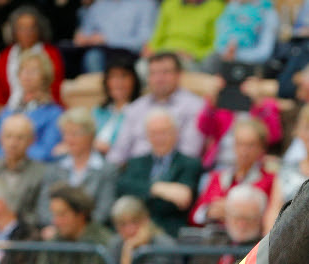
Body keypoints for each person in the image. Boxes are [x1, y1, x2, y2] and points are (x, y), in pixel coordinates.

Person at [115, 108, 202, 237]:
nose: (159, 138)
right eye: (154, 133)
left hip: (169, 233)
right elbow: (122, 187)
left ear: (175, 133)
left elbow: (182, 200)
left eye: (164, 132)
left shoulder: (189, 164)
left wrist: (143, 193)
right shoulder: (136, 162)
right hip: (135, 230)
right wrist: (156, 188)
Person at [107, 52, 205, 166]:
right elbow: (118, 153)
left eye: (165, 72)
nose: (159, 79)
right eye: (153, 73)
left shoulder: (195, 106)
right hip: (134, 171)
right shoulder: (135, 108)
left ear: (179, 75)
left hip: (173, 171)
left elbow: (190, 152)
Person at [36, 107, 117, 229]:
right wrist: (58, 226)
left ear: (90, 135)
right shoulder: (54, 168)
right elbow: (44, 207)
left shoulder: (107, 170)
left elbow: (104, 210)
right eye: (66, 134)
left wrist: (78, 228)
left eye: (75, 134)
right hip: (57, 230)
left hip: (91, 233)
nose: (70, 139)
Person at [0, 50, 64, 164]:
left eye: (33, 71)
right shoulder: (8, 111)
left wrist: (11, 155)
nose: (27, 74)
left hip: (32, 168)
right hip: (1, 166)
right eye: (24, 70)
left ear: (45, 77)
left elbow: (47, 152)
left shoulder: (54, 113)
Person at [190, 117, 274, 226]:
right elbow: (194, 217)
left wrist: (234, 210)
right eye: (240, 144)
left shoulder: (269, 180)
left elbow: (271, 218)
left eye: (251, 145)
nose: (244, 151)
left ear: (261, 148)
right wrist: (209, 211)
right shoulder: (218, 177)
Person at [264, 101, 309, 231]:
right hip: (287, 240)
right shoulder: (286, 169)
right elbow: (273, 210)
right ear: (298, 132)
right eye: (307, 128)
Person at [0, 6, 65, 111]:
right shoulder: (6, 55)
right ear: (14, 31)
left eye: (31, 28)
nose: (27, 33)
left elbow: (56, 88)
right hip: (9, 108)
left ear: (39, 30)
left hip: (42, 106)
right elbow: (0, 92)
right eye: (21, 28)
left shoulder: (50, 53)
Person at [34, 185, 114, 264]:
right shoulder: (54, 241)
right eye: (54, 215)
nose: (55, 221)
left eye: (62, 214)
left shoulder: (102, 241)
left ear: (81, 214)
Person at [109, 195, 179, 264]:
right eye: (123, 224)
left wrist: (128, 249)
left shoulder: (164, 245)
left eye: (135, 222)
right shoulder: (116, 243)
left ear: (146, 219)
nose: (130, 229)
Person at [143, 0, 225, 67]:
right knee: (142, 67)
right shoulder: (169, 4)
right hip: (165, 53)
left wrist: (195, 56)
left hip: (193, 58)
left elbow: (216, 45)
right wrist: (153, 50)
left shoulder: (216, 7)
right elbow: (157, 37)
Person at [202, 0, 279, 70]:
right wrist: (226, 51)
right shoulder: (231, 9)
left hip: (251, 64)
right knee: (211, 61)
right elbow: (219, 42)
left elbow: (264, 52)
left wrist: (236, 55)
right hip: (224, 59)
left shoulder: (267, 12)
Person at [92, 54, 141, 155]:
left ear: (134, 80)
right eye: (113, 76)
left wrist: (108, 149)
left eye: (124, 76)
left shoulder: (140, 111)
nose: (118, 82)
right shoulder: (97, 111)